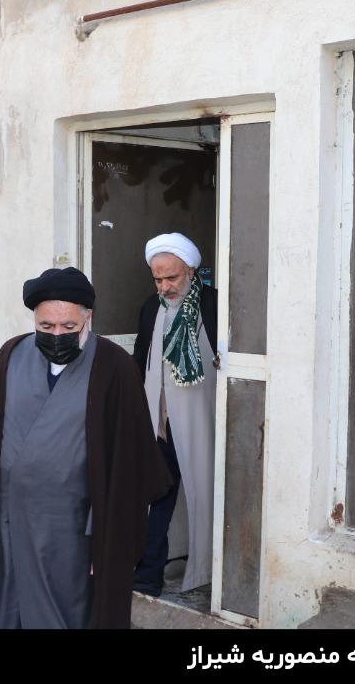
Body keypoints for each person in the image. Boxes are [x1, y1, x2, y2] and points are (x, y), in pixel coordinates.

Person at [0, 266, 171, 628]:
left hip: (71, 532)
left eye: (68, 326)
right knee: (2, 610)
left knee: (64, 615)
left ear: (87, 317)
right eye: (46, 326)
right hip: (4, 522)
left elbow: (130, 465)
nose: (57, 335)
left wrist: (107, 539)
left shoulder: (115, 367)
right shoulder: (10, 356)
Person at [131, 233, 218, 596]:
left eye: (172, 277)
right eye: (158, 279)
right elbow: (140, 360)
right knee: (156, 497)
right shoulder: (151, 308)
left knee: (205, 492)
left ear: (191, 271)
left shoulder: (214, 304)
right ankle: (148, 574)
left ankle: (207, 572)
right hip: (160, 423)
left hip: (201, 422)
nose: (164, 287)